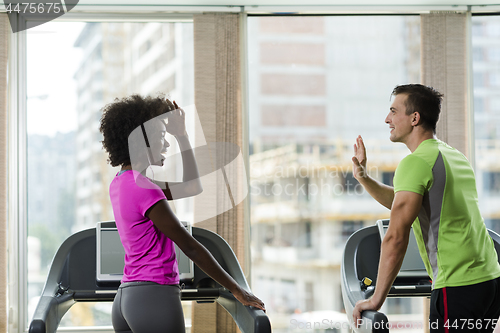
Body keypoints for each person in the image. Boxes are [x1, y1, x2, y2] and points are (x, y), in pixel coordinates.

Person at [99, 94, 265, 333]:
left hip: (126, 298)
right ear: (142, 142)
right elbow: (192, 248)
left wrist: (182, 135)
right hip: (154, 296)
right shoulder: (146, 189)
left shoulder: (122, 182)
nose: (166, 145)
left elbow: (192, 186)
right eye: (161, 138)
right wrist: (238, 291)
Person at [351, 84, 500, 332]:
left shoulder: (415, 162)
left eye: (393, 111)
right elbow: (409, 203)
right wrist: (364, 177)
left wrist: (377, 298)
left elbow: (396, 238)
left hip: (457, 285)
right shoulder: (452, 155)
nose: (387, 119)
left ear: (414, 118)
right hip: (489, 280)